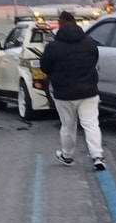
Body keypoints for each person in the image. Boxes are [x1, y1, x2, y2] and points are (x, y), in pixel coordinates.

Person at [39, 10, 104, 170]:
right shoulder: (89, 42)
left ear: (60, 25)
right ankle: (97, 156)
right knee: (91, 124)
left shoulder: (53, 46)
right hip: (88, 91)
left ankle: (67, 156)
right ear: (75, 23)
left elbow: (44, 67)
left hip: (64, 93)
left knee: (68, 126)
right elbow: (94, 59)